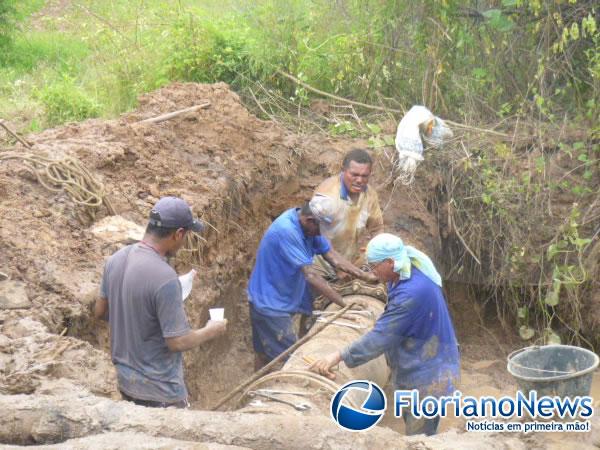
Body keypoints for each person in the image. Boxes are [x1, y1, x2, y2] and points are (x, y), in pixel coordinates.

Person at [310, 233, 460, 436]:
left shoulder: (411, 293)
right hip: (425, 355)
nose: (371, 271)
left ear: (390, 262)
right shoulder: (407, 264)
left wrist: (337, 356)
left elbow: (379, 338)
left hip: (427, 372)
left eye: (374, 266)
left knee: (420, 435)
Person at [95, 196, 227, 408]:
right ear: (178, 234)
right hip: (160, 393)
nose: (184, 243)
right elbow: (177, 342)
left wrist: (135, 317)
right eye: (186, 236)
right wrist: (211, 330)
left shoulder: (116, 259)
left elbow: (100, 311)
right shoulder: (164, 277)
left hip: (123, 383)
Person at [247, 199, 377, 370]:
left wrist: (364, 276)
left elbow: (331, 254)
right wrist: (344, 304)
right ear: (310, 221)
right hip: (269, 303)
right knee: (292, 359)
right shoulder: (287, 231)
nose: (324, 234)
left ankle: (256, 389)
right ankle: (267, 390)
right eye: (323, 229)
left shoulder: (309, 228)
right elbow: (311, 275)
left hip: (283, 294)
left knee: (265, 352)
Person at [313, 148, 384, 277]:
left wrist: (371, 258)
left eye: (364, 176)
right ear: (343, 170)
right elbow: (319, 236)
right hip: (320, 266)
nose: (359, 180)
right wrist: (341, 268)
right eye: (354, 175)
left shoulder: (370, 195)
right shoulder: (327, 196)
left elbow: (377, 229)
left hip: (348, 264)